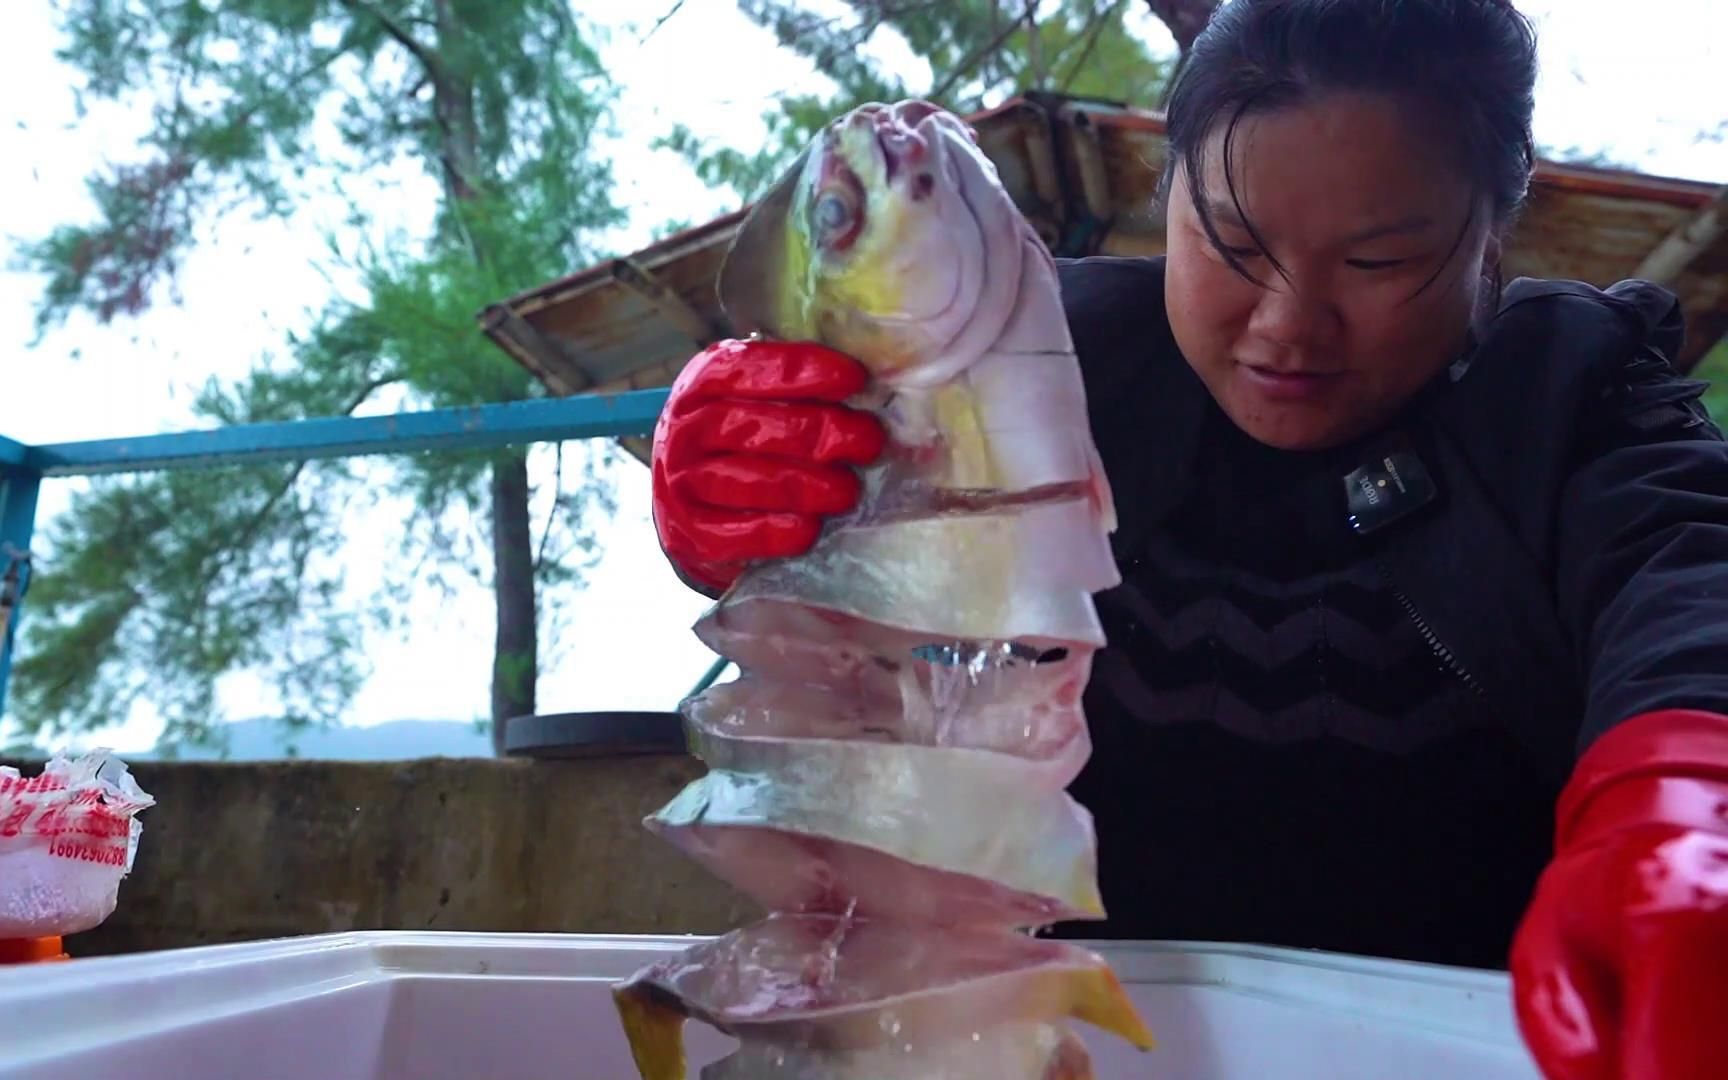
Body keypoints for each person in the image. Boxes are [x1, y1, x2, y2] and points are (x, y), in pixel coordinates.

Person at [647, 1, 1728, 1076]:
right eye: (1231, 242)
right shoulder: (1032, 377)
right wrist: (756, 506)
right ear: (1171, 195)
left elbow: (1687, 568)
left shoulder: (1573, 394)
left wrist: (1682, 802)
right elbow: (856, 636)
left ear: (1491, 228)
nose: (1287, 324)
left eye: (1379, 263)